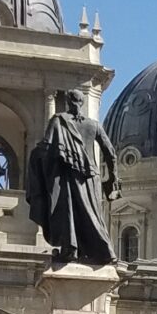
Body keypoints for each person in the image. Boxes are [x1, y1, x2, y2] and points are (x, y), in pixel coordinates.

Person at [27, 87, 120, 265]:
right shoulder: (94, 125)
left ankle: (71, 250)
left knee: (69, 211)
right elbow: (111, 153)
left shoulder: (58, 120)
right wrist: (113, 178)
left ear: (68, 102)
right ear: (82, 102)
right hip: (91, 177)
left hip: (68, 175)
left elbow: (46, 148)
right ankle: (103, 251)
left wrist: (35, 157)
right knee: (91, 214)